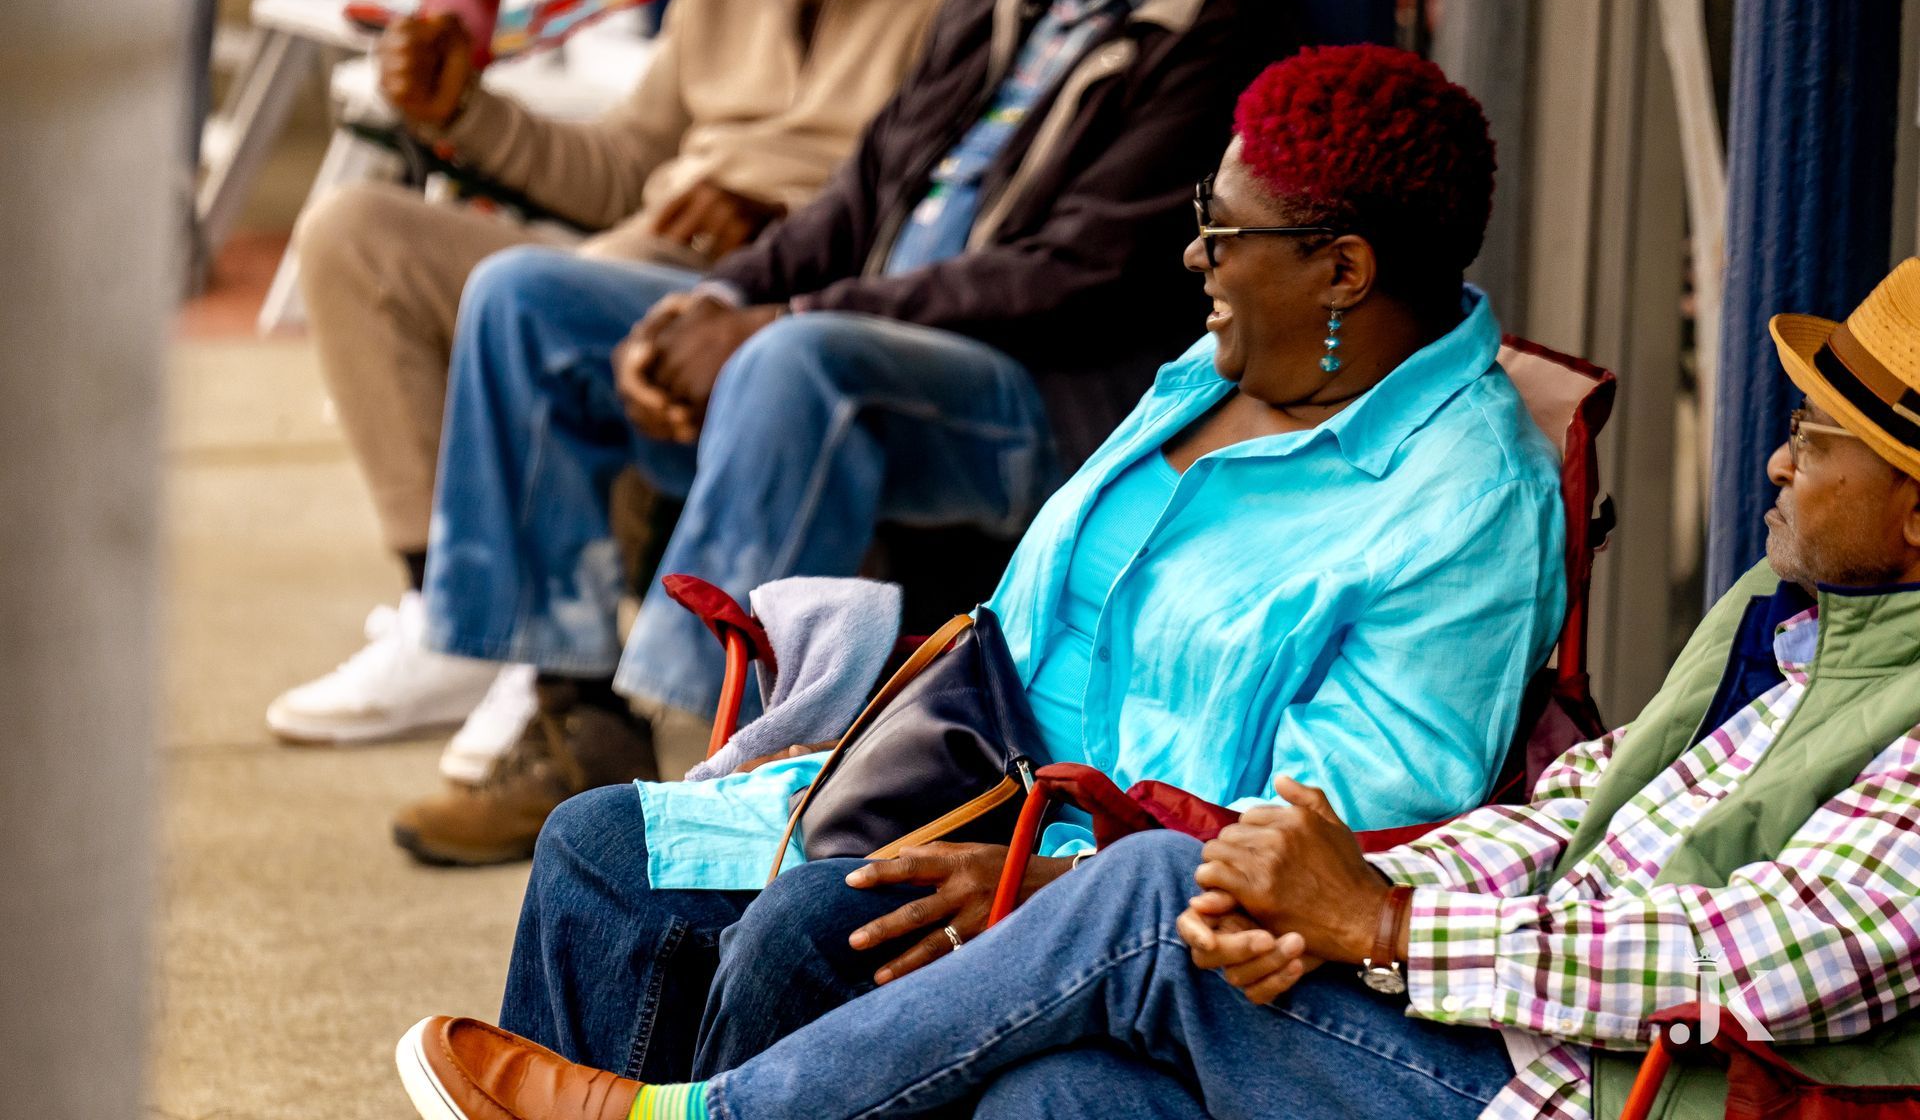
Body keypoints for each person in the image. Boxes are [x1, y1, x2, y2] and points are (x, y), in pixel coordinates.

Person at [398, 259, 1920, 1120]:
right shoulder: (1778, 620)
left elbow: (1774, 957)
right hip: (1426, 981)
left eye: (1822, 439)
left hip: (1608, 1091)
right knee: (1040, 1099)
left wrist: (1377, 919)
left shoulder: (1464, 499)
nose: (1778, 458)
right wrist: (1307, 902)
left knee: (1021, 904)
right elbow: (1568, 818)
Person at [413, 44, 1568, 1090]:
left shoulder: (1467, 503)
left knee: (817, 929)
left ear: (1344, 270)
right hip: (959, 779)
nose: (1193, 253)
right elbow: (1030, 624)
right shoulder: (1219, 369)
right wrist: (875, 744)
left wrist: (1049, 883)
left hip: (1100, 889)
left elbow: (1334, 831)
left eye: (1224, 230)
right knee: (599, 845)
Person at [386, 0, 1311, 866]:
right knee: (531, 297)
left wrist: (776, 323)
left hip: (1046, 397)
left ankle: (702, 766)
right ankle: (573, 714)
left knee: (799, 365)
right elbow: (862, 191)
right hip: (876, 333)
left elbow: (1070, 275)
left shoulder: (1229, 21)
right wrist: (715, 300)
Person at [267, 0, 987, 777]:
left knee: (532, 299)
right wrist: (462, 115)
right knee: (352, 231)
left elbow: (950, 209)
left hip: (789, 295)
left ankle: (551, 673)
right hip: (634, 257)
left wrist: (779, 223)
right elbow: (621, 168)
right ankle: (441, 617)